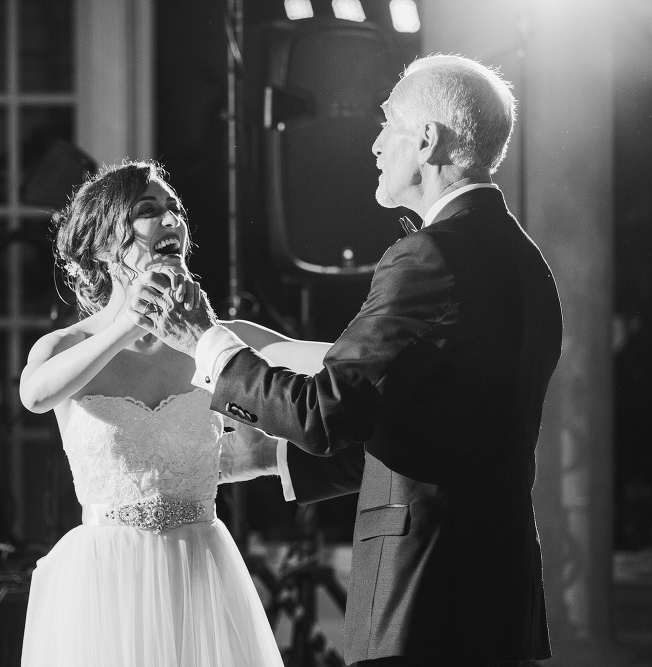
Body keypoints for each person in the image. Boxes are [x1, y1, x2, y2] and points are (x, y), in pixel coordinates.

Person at [140, 55, 563, 666]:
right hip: (498, 598)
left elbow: (323, 411)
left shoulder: (428, 259)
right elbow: (442, 435)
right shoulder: (528, 263)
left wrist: (207, 340)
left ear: (427, 140)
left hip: (425, 601)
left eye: (387, 123)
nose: (374, 144)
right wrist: (273, 455)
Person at [17, 160, 359, 666]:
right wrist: (127, 327)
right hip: (105, 587)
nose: (172, 219)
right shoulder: (67, 346)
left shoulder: (218, 338)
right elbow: (35, 395)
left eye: (175, 209)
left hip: (201, 570)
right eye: (149, 211)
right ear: (106, 245)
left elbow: (340, 361)